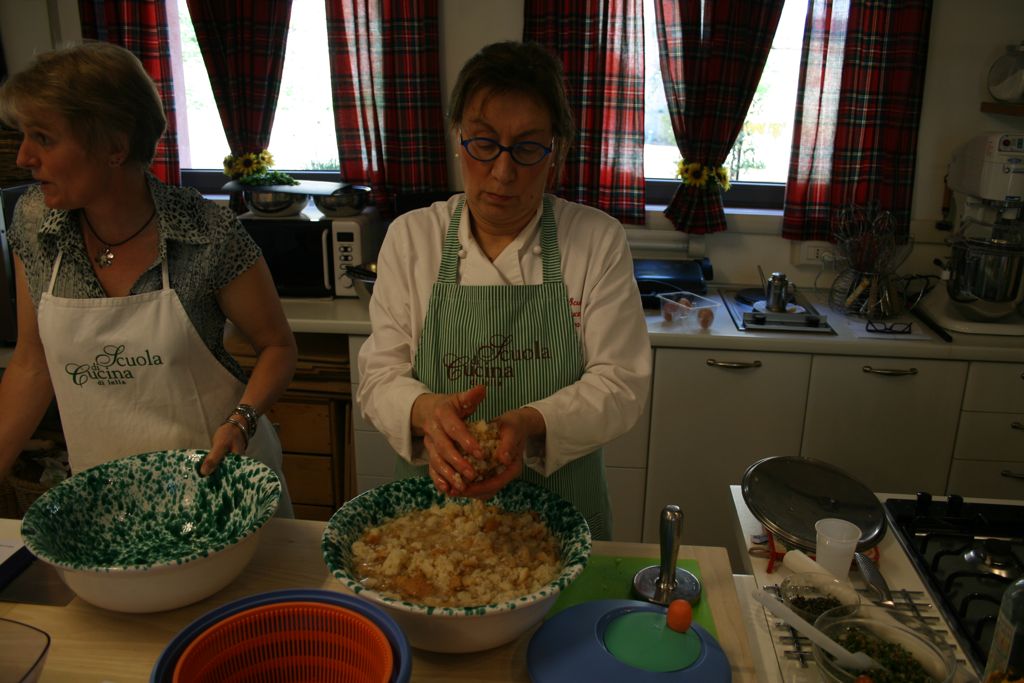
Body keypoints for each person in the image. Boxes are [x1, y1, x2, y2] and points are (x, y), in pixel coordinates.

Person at [356, 41, 652, 540]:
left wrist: (531, 422)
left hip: (563, 515)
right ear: (458, 137)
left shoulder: (596, 240)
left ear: (555, 151)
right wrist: (426, 412)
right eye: (485, 143)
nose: (503, 171)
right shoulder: (412, 238)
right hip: (438, 518)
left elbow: (621, 383)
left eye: (528, 148)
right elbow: (380, 374)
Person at [0, 41, 297, 517]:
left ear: (115, 146)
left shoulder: (207, 232)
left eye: (44, 138)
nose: (24, 157)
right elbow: (32, 364)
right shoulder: (36, 225)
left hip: (222, 493)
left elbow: (278, 346)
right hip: (111, 507)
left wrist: (242, 420)